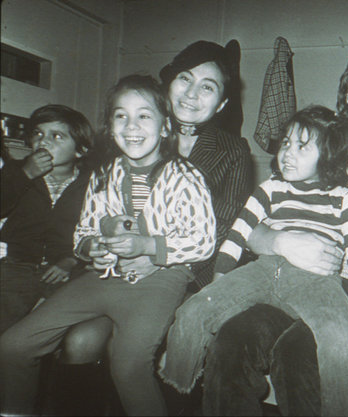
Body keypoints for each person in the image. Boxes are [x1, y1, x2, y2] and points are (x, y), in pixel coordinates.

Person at [193, 38, 348, 416]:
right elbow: (249, 225)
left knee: (301, 353)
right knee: (231, 343)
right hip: (281, 278)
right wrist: (279, 240)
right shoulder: (306, 147)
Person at [0, 74, 216, 416]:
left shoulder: (186, 176)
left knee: (128, 366)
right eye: (120, 115)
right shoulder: (103, 174)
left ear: (164, 128)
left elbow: (203, 242)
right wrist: (91, 248)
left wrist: (148, 246)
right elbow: (83, 231)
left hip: (159, 282)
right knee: (12, 346)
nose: (131, 125)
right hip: (103, 277)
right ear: (110, 126)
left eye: (144, 115)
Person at [160, 105, 348, 417]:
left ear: (328, 154)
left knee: (344, 340)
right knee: (195, 309)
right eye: (286, 142)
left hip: (316, 280)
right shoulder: (270, 188)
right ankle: (178, 375)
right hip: (263, 269)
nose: (288, 152)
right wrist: (221, 278)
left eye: (303, 146)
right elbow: (238, 233)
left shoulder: (343, 197)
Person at [58, 39, 254, 375]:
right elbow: (85, 216)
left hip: (190, 274)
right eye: (185, 79)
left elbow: (224, 224)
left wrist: (155, 257)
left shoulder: (233, 150)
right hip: (115, 269)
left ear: (221, 104)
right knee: (80, 342)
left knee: (164, 350)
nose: (192, 94)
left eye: (207, 87)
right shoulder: (130, 134)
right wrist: (98, 249)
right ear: (167, 85)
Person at [0, 104, 94, 334]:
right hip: (16, 266)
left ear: (79, 150)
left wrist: (71, 260)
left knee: (70, 330)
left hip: (65, 269)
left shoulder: (92, 185)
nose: (44, 141)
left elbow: (96, 230)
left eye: (57, 136)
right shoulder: (16, 171)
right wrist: (26, 175)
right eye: (38, 133)